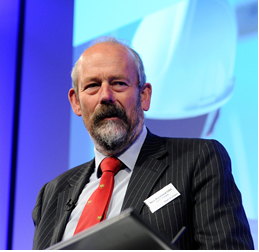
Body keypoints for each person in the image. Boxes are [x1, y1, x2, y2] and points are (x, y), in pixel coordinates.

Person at [32, 37, 254, 250]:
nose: (105, 96)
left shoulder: (198, 160)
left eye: (119, 83)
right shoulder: (52, 194)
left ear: (144, 95)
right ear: (76, 102)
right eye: (92, 85)